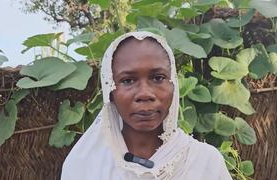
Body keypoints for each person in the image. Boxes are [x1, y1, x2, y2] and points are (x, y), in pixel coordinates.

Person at [61, 31, 232, 180]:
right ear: (110, 91)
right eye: (127, 80)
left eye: (158, 78)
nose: (145, 93)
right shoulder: (84, 166)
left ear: (174, 85)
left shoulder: (204, 162)